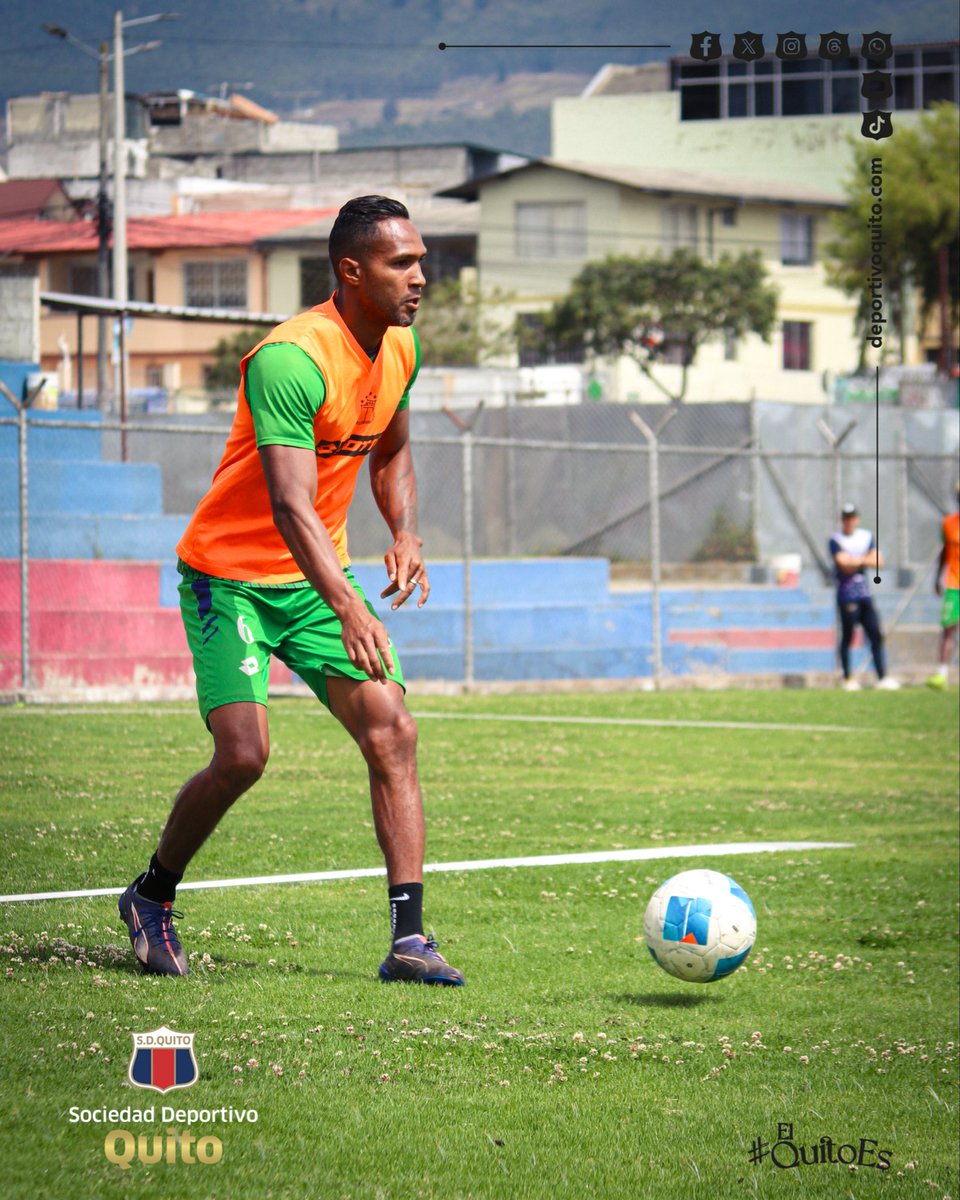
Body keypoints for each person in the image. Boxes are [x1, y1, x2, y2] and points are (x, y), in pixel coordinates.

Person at [118, 195, 464, 986]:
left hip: (314, 579)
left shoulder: (401, 348)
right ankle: (151, 894)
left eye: (420, 261)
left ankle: (409, 940)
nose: (420, 278)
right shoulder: (292, 357)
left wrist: (404, 531)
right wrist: (348, 604)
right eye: (400, 263)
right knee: (244, 756)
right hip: (230, 578)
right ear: (351, 271)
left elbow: (392, 455)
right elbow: (289, 504)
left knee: (392, 730)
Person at [829, 502, 899, 690]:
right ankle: (847, 678)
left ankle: (882, 677)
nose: (849, 521)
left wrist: (855, 560)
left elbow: (878, 561)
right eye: (845, 517)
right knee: (848, 636)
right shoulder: (836, 540)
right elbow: (843, 565)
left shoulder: (866, 537)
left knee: (875, 634)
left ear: (857, 519)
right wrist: (863, 560)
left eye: (851, 517)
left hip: (864, 595)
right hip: (846, 596)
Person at [926, 485, 959, 690]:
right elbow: (944, 553)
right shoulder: (948, 523)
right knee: (948, 628)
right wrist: (937, 577)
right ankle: (942, 673)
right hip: (954, 584)